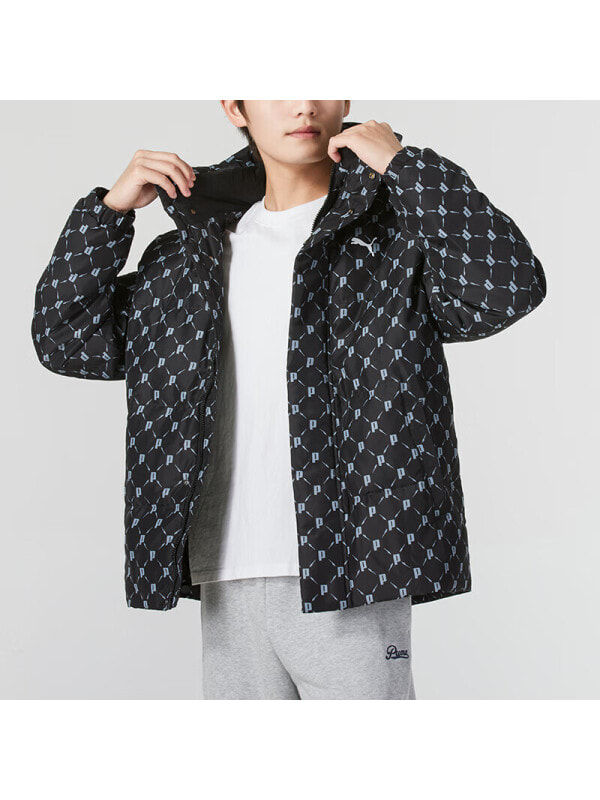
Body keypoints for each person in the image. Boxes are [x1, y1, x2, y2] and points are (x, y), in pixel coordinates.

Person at [31, 101, 547, 700]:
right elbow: (66, 340)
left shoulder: (392, 243)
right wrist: (108, 214)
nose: (303, 104)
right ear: (235, 106)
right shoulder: (185, 260)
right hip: (226, 568)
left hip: (355, 561)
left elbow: (506, 287)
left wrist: (408, 167)